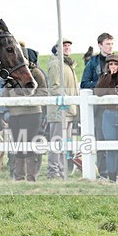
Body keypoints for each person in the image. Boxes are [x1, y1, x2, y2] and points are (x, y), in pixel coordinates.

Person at [80, 32, 118, 180]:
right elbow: (84, 84)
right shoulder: (93, 63)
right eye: (107, 44)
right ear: (100, 45)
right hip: (100, 109)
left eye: (112, 44)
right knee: (102, 141)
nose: (110, 47)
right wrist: (101, 85)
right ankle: (104, 173)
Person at [6, 43, 47, 181]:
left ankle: (30, 176)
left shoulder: (35, 72)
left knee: (30, 143)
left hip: (32, 114)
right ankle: (19, 176)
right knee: (18, 144)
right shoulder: (10, 75)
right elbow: (5, 94)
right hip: (15, 114)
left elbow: (43, 92)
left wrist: (29, 99)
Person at [94, 54, 118, 183]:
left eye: (115, 64)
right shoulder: (104, 78)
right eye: (110, 64)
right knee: (110, 148)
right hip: (108, 114)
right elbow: (98, 93)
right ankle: (112, 177)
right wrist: (108, 76)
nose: (113, 66)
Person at [46, 39, 78, 179]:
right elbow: (54, 88)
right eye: (64, 45)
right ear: (57, 48)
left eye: (68, 45)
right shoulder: (56, 64)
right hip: (59, 110)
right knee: (57, 141)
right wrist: (69, 100)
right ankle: (54, 171)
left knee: (65, 143)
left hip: (70, 110)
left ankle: (62, 170)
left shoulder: (68, 64)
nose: (67, 48)